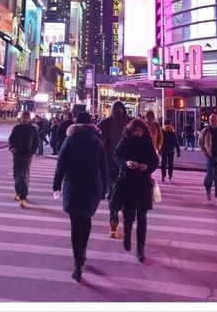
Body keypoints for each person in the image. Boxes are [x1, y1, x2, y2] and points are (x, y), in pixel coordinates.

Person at [52, 112, 107, 282]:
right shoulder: (96, 141)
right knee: (86, 218)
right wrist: (104, 188)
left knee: (76, 222)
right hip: (92, 184)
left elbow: (61, 164)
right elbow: (103, 166)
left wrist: (56, 185)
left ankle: (77, 263)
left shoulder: (71, 139)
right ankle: (83, 251)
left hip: (74, 184)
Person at [114, 118, 160, 262]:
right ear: (131, 130)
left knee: (142, 217)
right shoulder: (125, 140)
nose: (137, 133)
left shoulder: (147, 142)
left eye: (140, 131)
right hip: (128, 182)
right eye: (135, 131)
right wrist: (126, 164)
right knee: (128, 215)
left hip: (143, 183)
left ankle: (140, 249)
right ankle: (127, 237)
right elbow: (117, 156)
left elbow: (155, 161)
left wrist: (146, 167)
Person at [98, 100, 131, 239]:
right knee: (112, 194)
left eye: (121, 109)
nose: (119, 111)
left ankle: (123, 210)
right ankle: (113, 221)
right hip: (110, 163)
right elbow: (96, 134)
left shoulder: (130, 123)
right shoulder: (106, 123)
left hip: (126, 165)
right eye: (116, 109)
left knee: (125, 194)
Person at [8, 111, 39, 208]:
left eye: (26, 117)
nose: (24, 119)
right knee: (17, 176)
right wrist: (12, 147)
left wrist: (32, 151)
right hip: (17, 155)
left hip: (27, 156)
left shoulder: (33, 129)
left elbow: (36, 142)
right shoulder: (16, 128)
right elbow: (11, 139)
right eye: (23, 117)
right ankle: (18, 192)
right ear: (21, 118)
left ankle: (23, 197)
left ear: (29, 119)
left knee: (24, 177)